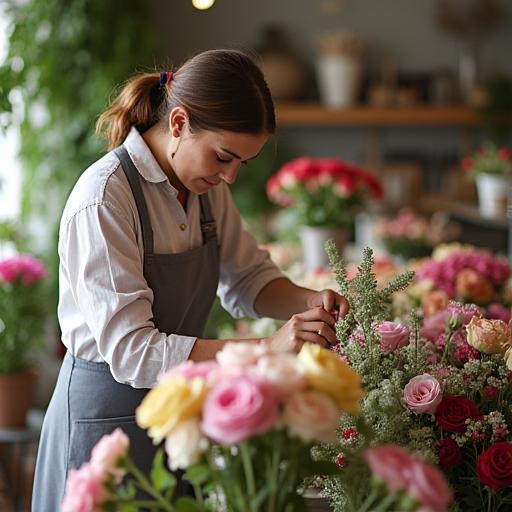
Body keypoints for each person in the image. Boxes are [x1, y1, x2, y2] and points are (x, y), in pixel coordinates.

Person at [32, 49, 348, 510]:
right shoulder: (104, 199)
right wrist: (263, 351)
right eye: (224, 157)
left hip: (177, 415)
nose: (231, 176)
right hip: (105, 421)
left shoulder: (203, 189)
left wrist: (308, 300)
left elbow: (249, 279)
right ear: (179, 122)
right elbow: (132, 351)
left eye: (242, 162)